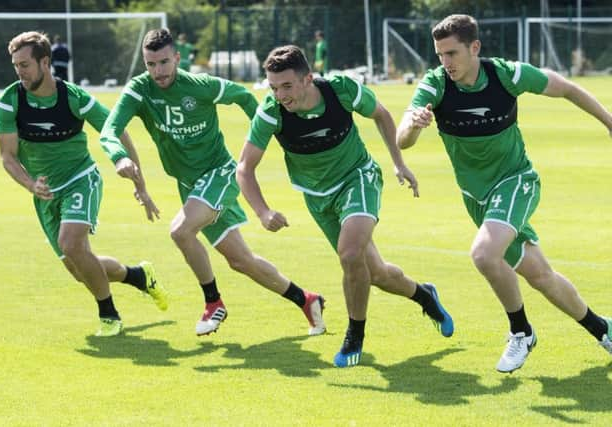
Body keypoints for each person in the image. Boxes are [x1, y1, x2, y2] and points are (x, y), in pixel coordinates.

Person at [396, 14, 612, 373]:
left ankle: (521, 331)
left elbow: (568, 88)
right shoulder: (435, 84)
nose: (445, 62)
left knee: (483, 254)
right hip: (477, 198)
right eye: (439, 55)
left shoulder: (506, 75)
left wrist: (608, 120)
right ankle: (602, 329)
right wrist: (415, 127)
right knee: (541, 276)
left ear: (474, 47)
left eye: (452, 53)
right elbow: (403, 136)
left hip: (517, 182)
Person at [236, 45, 454, 368]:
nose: (280, 95)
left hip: (358, 178)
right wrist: (263, 211)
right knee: (375, 273)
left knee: (350, 254)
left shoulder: (341, 90)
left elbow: (380, 114)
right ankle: (425, 295)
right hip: (318, 197)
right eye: (273, 87)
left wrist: (398, 163)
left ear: (307, 79)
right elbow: (244, 168)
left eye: (286, 86)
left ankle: (355, 335)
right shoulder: (271, 112)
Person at [99, 29, 326, 338]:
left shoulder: (200, 86)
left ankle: (213, 302)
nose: (158, 71)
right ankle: (307, 300)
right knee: (240, 261)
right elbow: (110, 130)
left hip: (220, 173)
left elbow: (245, 97)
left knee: (180, 230)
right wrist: (118, 157)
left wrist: (268, 132)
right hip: (191, 186)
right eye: (150, 64)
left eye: (164, 62)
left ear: (177, 58)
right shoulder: (140, 90)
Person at [0, 31, 168, 337]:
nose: (19, 71)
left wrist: (139, 183)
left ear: (45, 62)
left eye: (25, 64)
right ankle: (138, 276)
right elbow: (8, 157)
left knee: (71, 243)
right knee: (79, 269)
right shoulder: (9, 101)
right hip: (45, 194)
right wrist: (30, 185)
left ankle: (109, 316)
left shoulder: (74, 97)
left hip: (80, 179)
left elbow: (116, 131)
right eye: (16, 65)